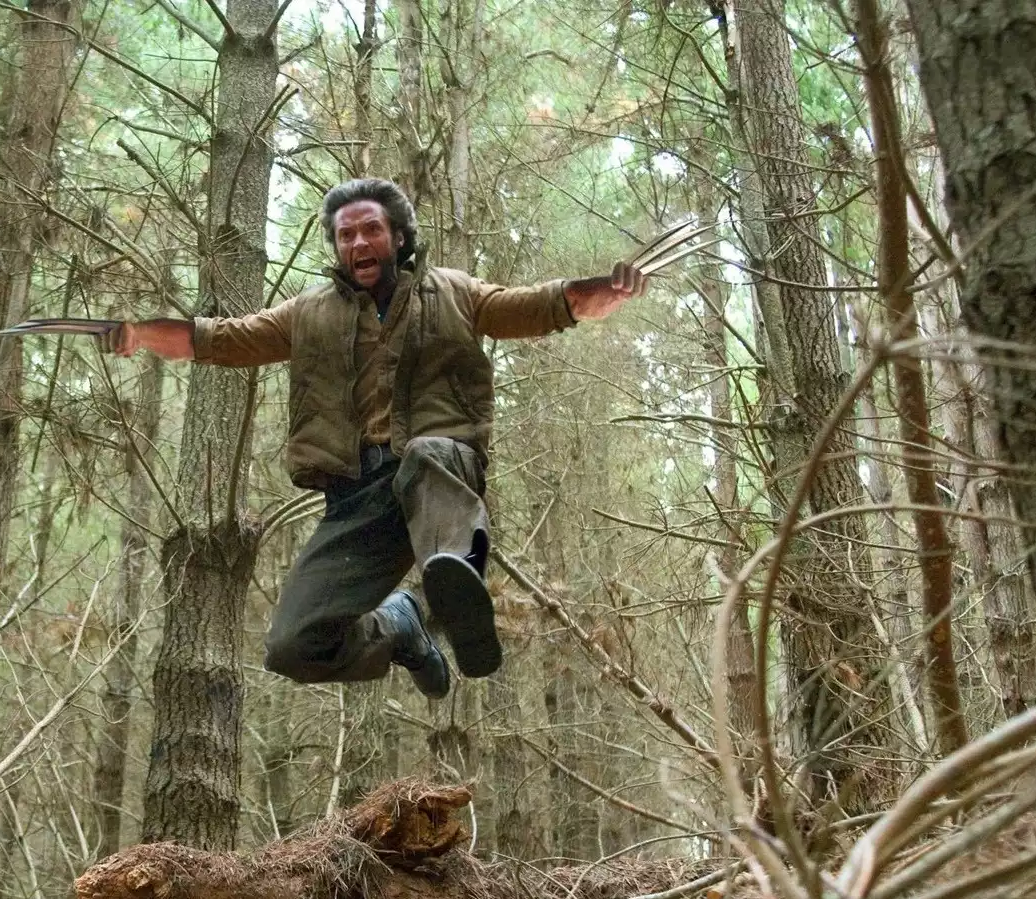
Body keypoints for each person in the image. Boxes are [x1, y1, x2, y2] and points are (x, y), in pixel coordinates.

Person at [111, 177, 646, 698]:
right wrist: (138, 334)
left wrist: (599, 293)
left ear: (399, 237)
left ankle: (457, 575)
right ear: (337, 247)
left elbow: (539, 306)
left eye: (371, 230)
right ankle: (400, 624)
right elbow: (220, 339)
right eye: (346, 235)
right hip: (357, 497)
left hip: (438, 475)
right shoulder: (308, 312)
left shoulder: (454, 292)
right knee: (293, 647)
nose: (359, 242)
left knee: (424, 453)